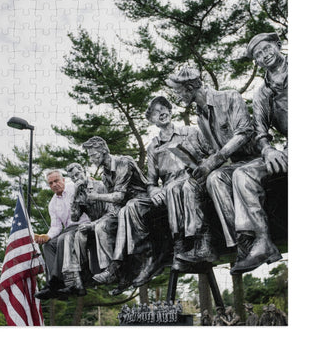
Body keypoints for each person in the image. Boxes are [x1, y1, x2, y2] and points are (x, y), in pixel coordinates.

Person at [166, 65, 281, 274]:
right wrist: (198, 165)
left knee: (216, 178)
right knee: (193, 183)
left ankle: (245, 241)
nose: (177, 96)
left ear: (190, 86)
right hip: (233, 165)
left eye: (178, 90)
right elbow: (213, 150)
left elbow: (244, 132)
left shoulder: (229, 97)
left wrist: (215, 160)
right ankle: (205, 243)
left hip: (255, 160)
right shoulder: (201, 117)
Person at [229, 32, 287, 274]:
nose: (264, 56)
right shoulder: (262, 93)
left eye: (266, 48)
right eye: (258, 55)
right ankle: (263, 241)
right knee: (242, 174)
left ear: (277, 44)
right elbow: (260, 131)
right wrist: (268, 149)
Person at [145, 96, 217, 268]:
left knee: (181, 187)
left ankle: (202, 242)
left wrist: (204, 166)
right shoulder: (153, 147)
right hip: (171, 187)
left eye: (164, 108)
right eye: (156, 111)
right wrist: (154, 191)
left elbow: (212, 152)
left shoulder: (190, 132)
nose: (161, 112)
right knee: (172, 189)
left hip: (195, 177)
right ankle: (180, 246)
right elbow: (151, 182)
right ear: (152, 120)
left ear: (170, 111)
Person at [81, 136, 158, 294]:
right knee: (102, 227)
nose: (92, 159)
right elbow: (112, 205)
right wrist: (96, 222)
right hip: (124, 208)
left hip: (142, 203)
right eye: (89, 156)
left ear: (103, 151)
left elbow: (119, 196)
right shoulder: (105, 175)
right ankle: (118, 274)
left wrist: (95, 196)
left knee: (124, 210)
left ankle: (115, 265)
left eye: (94, 155)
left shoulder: (124, 162)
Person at [57, 162, 117, 296]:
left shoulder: (99, 186)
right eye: (73, 178)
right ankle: (74, 276)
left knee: (95, 229)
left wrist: (93, 224)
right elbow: (75, 218)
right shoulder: (78, 193)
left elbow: (112, 212)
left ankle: (109, 270)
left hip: (109, 222)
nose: (76, 178)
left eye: (78, 174)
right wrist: (74, 197)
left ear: (84, 171)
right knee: (71, 235)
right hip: (94, 225)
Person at [34, 170, 89, 300]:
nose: (54, 184)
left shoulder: (74, 187)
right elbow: (56, 227)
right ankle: (55, 284)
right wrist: (46, 236)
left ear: (63, 180)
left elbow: (89, 185)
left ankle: (56, 282)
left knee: (63, 239)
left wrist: (89, 181)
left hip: (84, 224)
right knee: (48, 246)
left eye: (56, 181)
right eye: (51, 183)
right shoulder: (52, 204)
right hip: (68, 229)